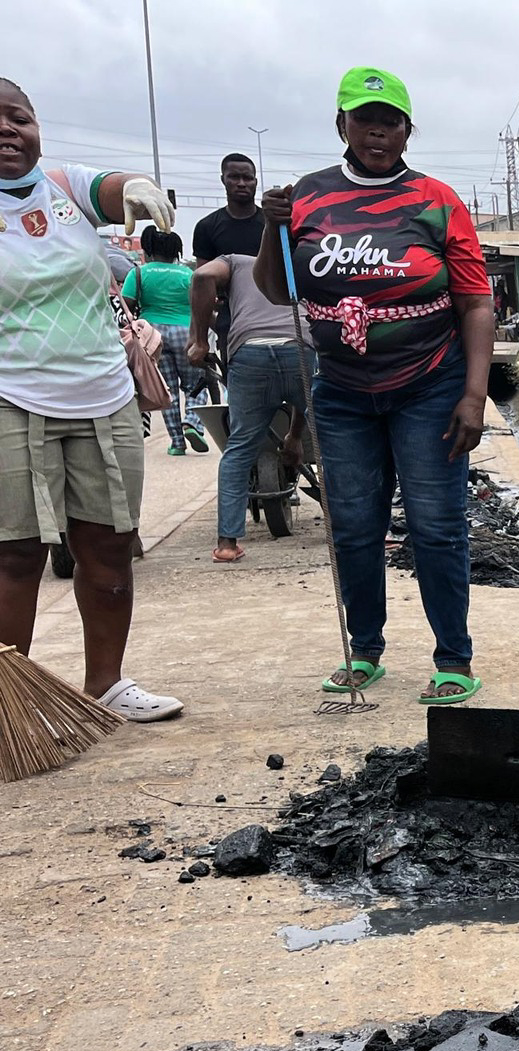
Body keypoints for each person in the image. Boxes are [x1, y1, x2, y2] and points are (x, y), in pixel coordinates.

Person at [253, 66, 494, 705]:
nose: (377, 131)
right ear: (342, 126)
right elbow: (280, 290)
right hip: (341, 391)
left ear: (407, 130)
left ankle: (453, 660)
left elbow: (475, 302)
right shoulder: (305, 197)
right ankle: (364, 650)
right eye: (365, 119)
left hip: (429, 386)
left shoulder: (437, 201)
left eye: (389, 121)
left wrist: (473, 394)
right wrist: (270, 229)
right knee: (354, 525)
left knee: (435, 523)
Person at [0, 76, 182, 721]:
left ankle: (106, 683)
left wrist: (134, 186)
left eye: (18, 117)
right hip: (11, 395)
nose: (7, 130)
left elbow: (110, 187)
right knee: (15, 553)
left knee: (107, 549)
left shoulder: (63, 186)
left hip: (104, 394)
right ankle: (10, 706)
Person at [188, 251, 311, 562]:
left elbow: (202, 277)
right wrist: (295, 437)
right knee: (336, 442)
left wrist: (199, 340)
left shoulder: (233, 262)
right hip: (301, 347)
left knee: (240, 448)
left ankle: (227, 544)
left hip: (251, 354)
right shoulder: (303, 260)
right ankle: (354, 530)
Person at [121, 227, 211, 456]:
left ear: (149, 249)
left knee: (165, 388)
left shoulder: (139, 273)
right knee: (197, 382)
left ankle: (177, 443)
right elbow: (202, 304)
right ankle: (192, 421)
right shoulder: (187, 275)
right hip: (185, 331)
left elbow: (127, 305)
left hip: (152, 335)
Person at [192, 153, 263, 359]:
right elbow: (201, 282)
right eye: (234, 177)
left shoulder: (273, 224)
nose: (241, 183)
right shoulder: (207, 227)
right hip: (231, 320)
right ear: (223, 179)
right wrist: (199, 338)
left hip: (276, 317)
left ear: (255, 182)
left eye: (247, 178)